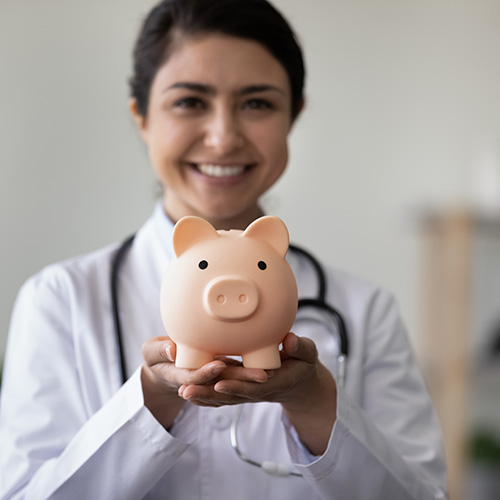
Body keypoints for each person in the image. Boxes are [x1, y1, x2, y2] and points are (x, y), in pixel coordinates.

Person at [0, 0, 447, 498]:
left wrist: (316, 401)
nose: (222, 138)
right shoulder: (59, 299)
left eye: (257, 103)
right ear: (142, 117)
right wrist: (150, 405)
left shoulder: (367, 310)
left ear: (293, 117)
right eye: (190, 102)